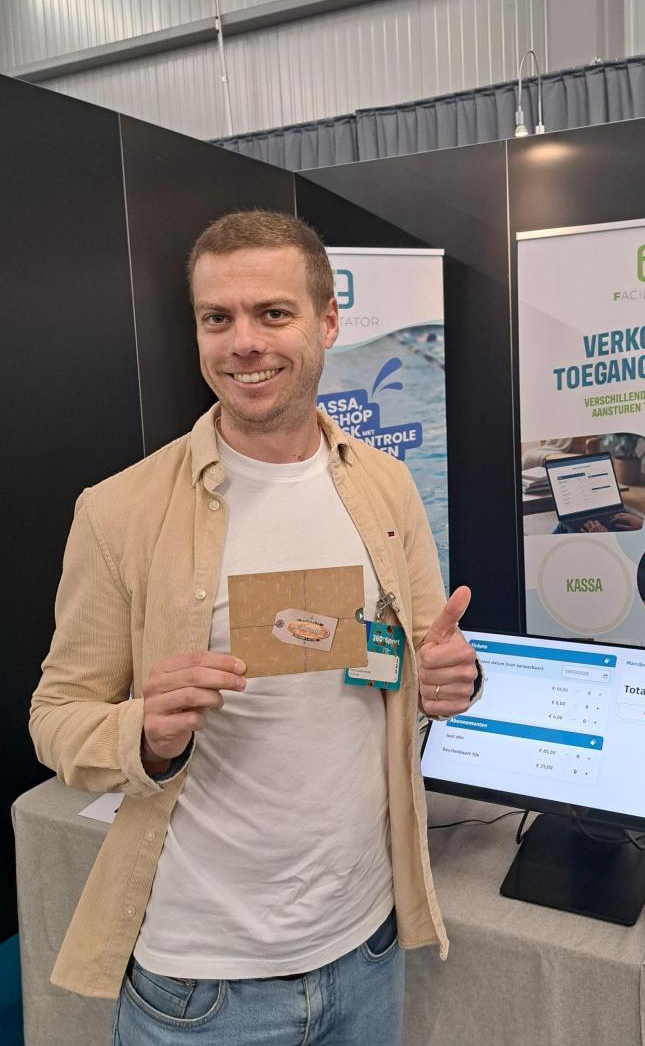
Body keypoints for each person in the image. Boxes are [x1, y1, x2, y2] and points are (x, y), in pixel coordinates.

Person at [29, 211, 481, 1045]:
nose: (244, 343)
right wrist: (143, 735)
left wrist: (458, 680)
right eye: (217, 318)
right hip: (200, 985)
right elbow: (55, 717)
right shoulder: (119, 511)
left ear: (328, 320)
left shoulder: (385, 486)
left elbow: (424, 655)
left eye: (273, 313)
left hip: (367, 946)